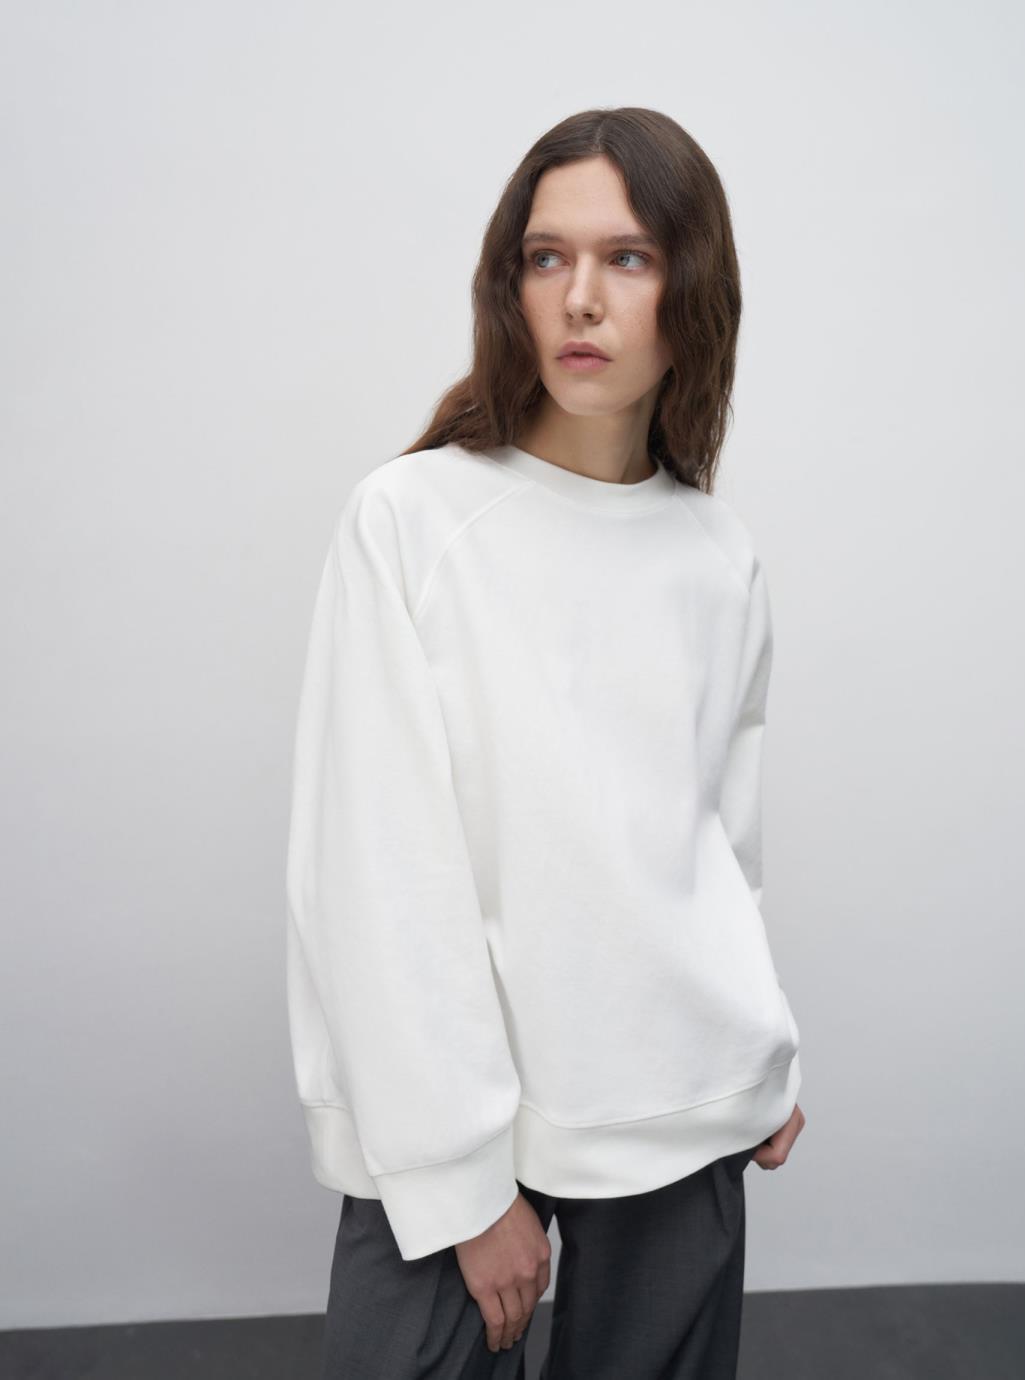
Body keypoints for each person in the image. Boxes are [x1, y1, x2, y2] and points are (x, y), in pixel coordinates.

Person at [285, 105, 806, 1379]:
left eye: (628, 257)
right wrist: (464, 1185)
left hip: (683, 1107)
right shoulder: (412, 520)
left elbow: (715, 850)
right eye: (545, 257)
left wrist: (761, 1053)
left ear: (693, 289)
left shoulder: (717, 554)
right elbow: (376, 878)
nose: (580, 297)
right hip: (451, 1138)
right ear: (507, 285)